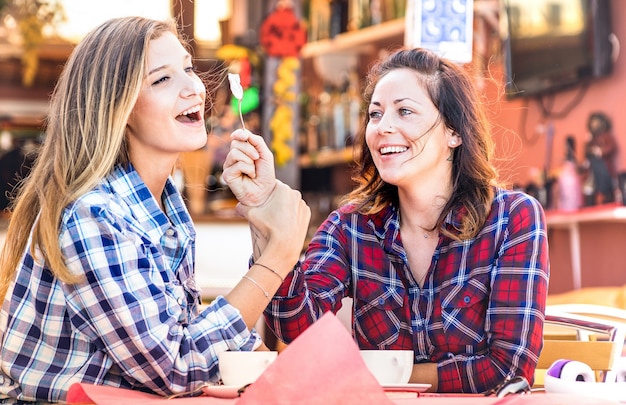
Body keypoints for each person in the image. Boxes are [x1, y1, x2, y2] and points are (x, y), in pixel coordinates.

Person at [0, 16, 310, 403]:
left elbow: (185, 331)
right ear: (118, 107)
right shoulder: (95, 215)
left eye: (188, 68)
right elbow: (175, 367)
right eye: (162, 79)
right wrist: (278, 255)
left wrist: (263, 217)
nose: (193, 88)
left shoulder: (163, 205)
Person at [223, 47, 549, 394]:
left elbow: (508, 368)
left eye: (405, 111)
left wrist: (375, 376)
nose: (383, 127)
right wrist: (261, 213)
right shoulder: (351, 226)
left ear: (453, 133)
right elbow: (296, 326)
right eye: (375, 115)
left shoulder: (512, 219)